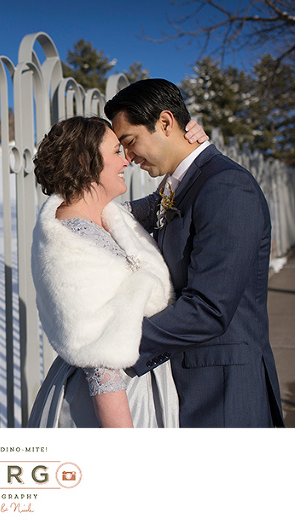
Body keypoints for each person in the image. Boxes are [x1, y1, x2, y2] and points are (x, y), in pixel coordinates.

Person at [104, 78, 285, 428]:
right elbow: (123, 216)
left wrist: (117, 345)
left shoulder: (226, 187)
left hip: (223, 391)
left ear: (166, 123)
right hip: (188, 384)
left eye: (130, 142)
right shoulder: (180, 186)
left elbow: (210, 308)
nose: (128, 156)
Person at [26, 115, 207, 428]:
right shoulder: (69, 243)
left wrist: (191, 151)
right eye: (115, 151)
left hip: (138, 382)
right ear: (86, 162)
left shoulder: (109, 218)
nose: (126, 161)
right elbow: (101, 363)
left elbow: (165, 200)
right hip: (114, 401)